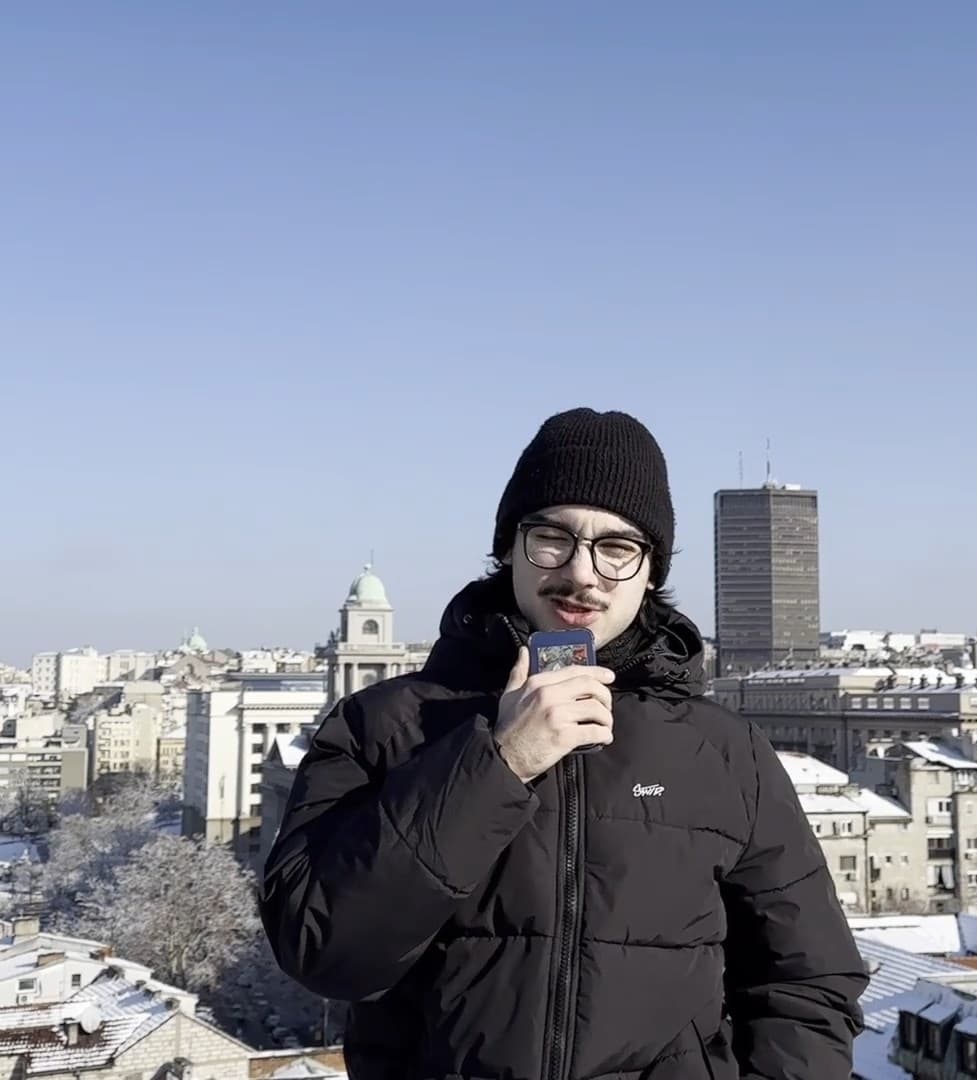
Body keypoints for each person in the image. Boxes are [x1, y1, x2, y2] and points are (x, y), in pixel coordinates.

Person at [260, 407, 867, 1080]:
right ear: (508, 548)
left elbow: (809, 984)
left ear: (651, 570)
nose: (583, 573)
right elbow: (323, 952)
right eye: (552, 538)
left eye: (618, 547)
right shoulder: (381, 726)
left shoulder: (725, 752)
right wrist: (497, 763)